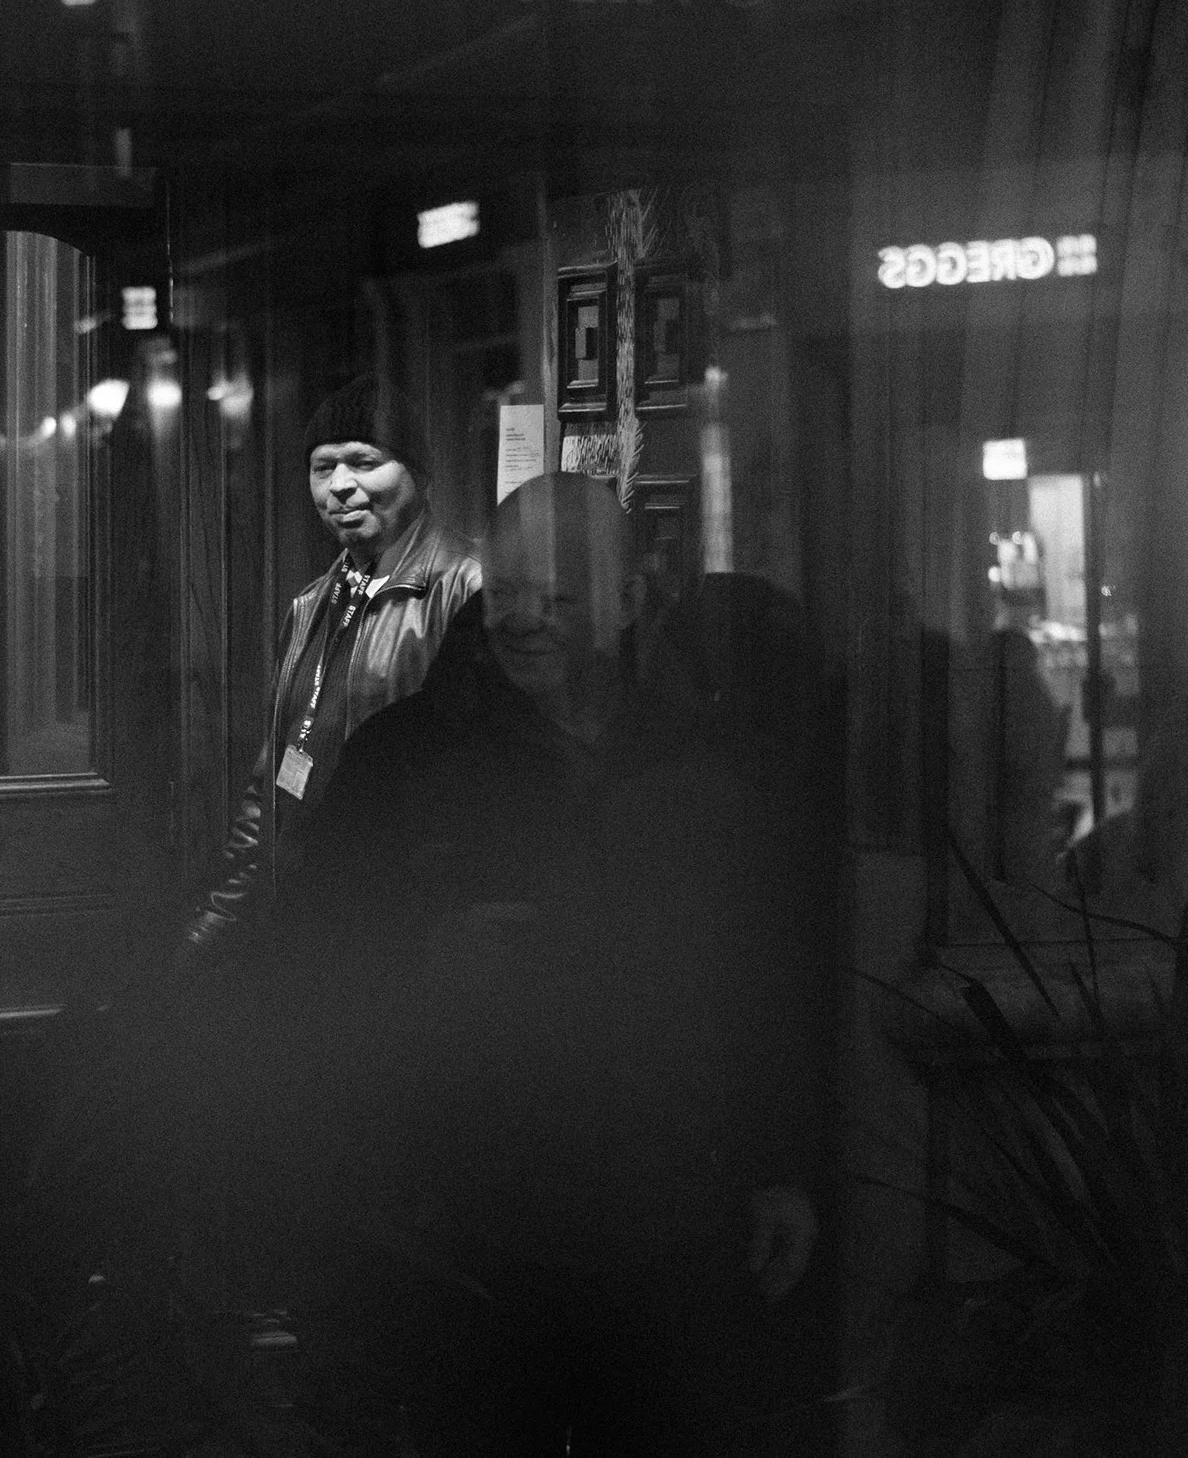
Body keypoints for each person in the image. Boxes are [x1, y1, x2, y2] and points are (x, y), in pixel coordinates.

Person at [276, 474, 826, 1457]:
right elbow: (311, 967)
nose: (525, 618)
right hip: (467, 1229)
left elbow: (756, 981)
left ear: (626, 600)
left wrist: (779, 1164)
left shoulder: (706, 766)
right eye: (511, 590)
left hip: (669, 1223)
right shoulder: (407, 759)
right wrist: (425, 960)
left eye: (562, 597)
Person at [174, 373, 481, 966]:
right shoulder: (313, 603)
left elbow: (481, 782)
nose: (341, 485)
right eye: (323, 467)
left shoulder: (465, 586)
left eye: (365, 462)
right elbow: (273, 784)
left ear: (418, 474)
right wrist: (215, 924)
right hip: (305, 919)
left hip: (406, 927)